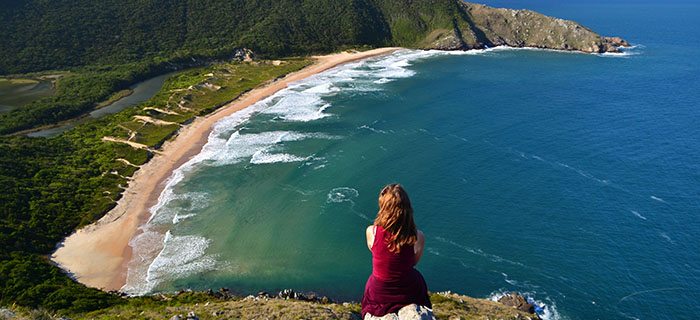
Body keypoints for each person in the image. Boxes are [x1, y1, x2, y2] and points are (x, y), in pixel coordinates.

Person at [361, 183, 432, 318]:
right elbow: (413, 262)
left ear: (383, 208)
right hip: (408, 290)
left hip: (379, 291)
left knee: (371, 282)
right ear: (407, 208)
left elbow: (375, 252)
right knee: (418, 279)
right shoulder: (418, 236)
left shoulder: (372, 232)